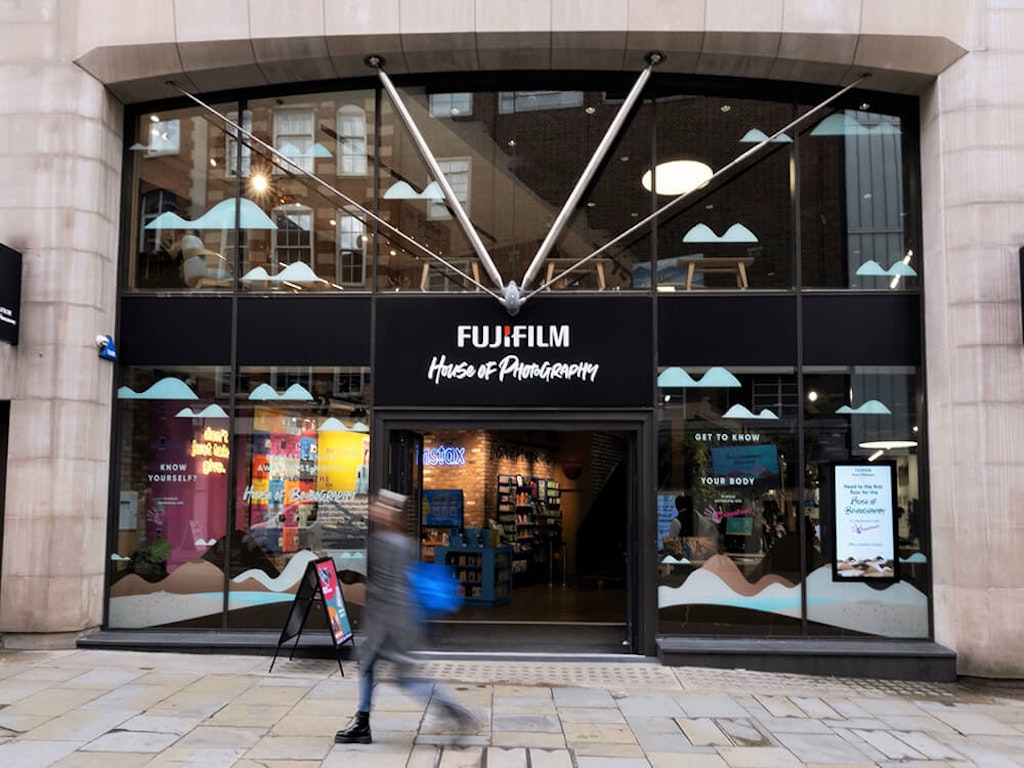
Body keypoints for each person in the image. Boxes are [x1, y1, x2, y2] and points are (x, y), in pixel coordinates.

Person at [335, 489, 475, 745]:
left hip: (391, 624)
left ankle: (451, 709)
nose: (373, 510)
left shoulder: (384, 542)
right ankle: (362, 722)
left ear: (390, 514)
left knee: (404, 678)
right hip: (399, 621)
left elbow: (388, 587)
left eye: (380, 507)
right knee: (371, 667)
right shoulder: (404, 543)